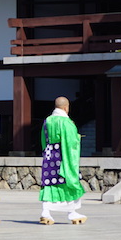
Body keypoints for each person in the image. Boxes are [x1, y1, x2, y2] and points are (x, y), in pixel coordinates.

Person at [39, 96, 87, 225]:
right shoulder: (66, 122)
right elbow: (71, 142)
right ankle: (72, 212)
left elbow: (44, 139)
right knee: (68, 181)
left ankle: (46, 212)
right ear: (66, 108)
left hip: (49, 156)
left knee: (50, 183)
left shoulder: (47, 120)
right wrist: (78, 138)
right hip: (63, 156)